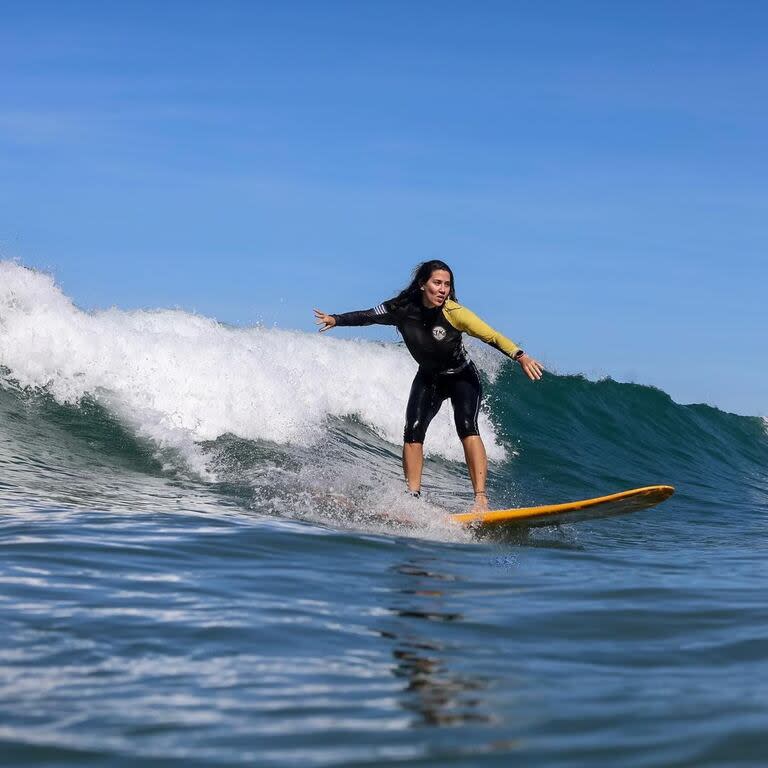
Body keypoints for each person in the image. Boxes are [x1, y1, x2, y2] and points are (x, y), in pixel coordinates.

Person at [314, 260, 543, 511]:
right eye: (437, 283)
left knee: (466, 426)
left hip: (461, 376)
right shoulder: (400, 308)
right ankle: (412, 498)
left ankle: (480, 498)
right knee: (412, 430)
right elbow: (368, 316)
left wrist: (521, 356)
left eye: (447, 284)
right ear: (423, 284)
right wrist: (336, 319)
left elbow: (492, 335)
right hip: (429, 377)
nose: (443, 289)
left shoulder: (455, 312)